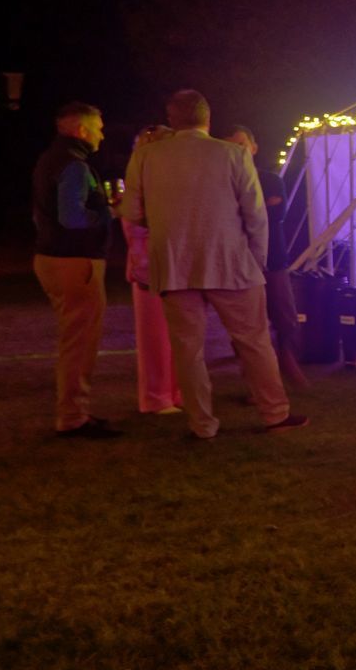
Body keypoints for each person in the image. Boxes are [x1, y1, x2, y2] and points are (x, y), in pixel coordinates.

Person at [122, 89, 304, 439]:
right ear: (208, 119)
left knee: (187, 349)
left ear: (172, 120)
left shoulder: (146, 157)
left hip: (174, 264)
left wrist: (164, 223)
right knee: (254, 340)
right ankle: (274, 414)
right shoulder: (233, 154)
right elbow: (256, 214)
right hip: (231, 262)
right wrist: (258, 260)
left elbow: (131, 212)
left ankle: (202, 423)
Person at [30, 101, 120, 437]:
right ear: (80, 130)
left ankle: (74, 412)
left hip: (50, 257)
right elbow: (72, 217)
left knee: (73, 339)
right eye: (97, 126)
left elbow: (43, 213)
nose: (102, 133)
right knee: (80, 342)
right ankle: (73, 417)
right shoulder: (75, 166)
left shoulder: (48, 160)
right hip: (74, 261)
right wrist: (110, 215)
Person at [226, 126, 307, 391]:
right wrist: (256, 209)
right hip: (240, 262)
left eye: (242, 144)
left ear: (253, 147)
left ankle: (287, 360)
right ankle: (255, 380)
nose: (239, 150)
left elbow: (276, 213)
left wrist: (244, 212)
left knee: (285, 316)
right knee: (249, 323)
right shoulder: (224, 183)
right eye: (233, 145)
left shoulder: (271, 179)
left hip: (273, 257)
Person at [125, 126, 183, 414]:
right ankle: (157, 396)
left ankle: (174, 391)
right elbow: (138, 227)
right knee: (155, 337)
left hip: (168, 265)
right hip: (151, 267)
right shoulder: (143, 184)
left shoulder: (161, 181)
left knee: (174, 335)